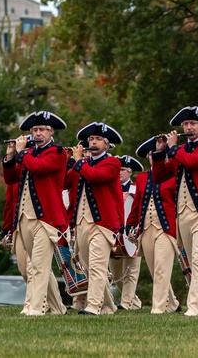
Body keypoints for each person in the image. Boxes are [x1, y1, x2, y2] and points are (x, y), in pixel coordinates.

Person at [152, 106, 198, 317]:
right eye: (185, 124)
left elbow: (193, 162)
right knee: (195, 263)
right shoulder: (181, 151)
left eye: (192, 124)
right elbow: (160, 176)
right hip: (184, 214)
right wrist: (159, 152)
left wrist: (173, 148)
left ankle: (194, 307)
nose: (188, 127)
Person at [2, 110, 69, 316]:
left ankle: (36, 308)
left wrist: (22, 152)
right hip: (24, 217)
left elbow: (38, 167)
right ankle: (58, 308)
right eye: (34, 130)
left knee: (39, 265)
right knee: (33, 267)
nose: (37, 134)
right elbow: (11, 177)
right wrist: (11, 156)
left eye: (41, 130)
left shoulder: (58, 153)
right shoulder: (29, 154)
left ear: (51, 133)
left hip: (46, 218)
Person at [69, 122, 123, 316]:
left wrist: (79, 162)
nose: (93, 141)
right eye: (91, 139)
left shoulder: (113, 163)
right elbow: (66, 182)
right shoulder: (83, 164)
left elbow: (95, 176)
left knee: (98, 266)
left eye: (98, 139)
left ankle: (93, 306)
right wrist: (68, 162)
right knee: (89, 267)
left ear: (107, 144)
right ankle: (109, 306)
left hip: (103, 223)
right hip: (82, 222)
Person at [127, 137, 180, 314]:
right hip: (146, 227)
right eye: (150, 155)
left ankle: (158, 308)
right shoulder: (141, 178)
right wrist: (130, 225)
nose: (153, 157)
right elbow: (137, 204)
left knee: (161, 269)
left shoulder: (173, 176)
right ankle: (172, 304)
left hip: (166, 227)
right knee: (153, 269)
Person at [110, 154, 144, 311]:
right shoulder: (110, 186)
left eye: (123, 170)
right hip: (114, 235)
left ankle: (126, 303)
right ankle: (134, 302)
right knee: (117, 274)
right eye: (118, 169)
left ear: (130, 172)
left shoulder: (136, 189)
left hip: (131, 234)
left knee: (131, 270)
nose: (119, 172)